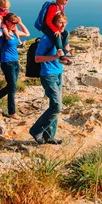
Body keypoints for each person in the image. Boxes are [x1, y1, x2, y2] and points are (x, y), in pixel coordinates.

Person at [29, 12, 68, 145]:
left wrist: (65, 59)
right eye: (60, 22)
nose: (62, 25)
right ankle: (36, 130)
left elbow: (60, 57)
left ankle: (49, 136)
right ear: (53, 24)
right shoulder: (46, 39)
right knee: (57, 106)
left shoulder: (61, 37)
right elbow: (37, 58)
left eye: (64, 22)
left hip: (58, 73)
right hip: (48, 75)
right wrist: (56, 57)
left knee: (54, 106)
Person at [0, 13, 30, 119]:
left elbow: (27, 33)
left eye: (15, 23)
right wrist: (0, 22)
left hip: (15, 62)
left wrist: (20, 23)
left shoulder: (15, 33)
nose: (14, 25)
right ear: (7, 22)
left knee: (11, 86)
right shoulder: (2, 33)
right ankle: (12, 112)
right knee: (13, 87)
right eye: (13, 23)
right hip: (7, 62)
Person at [41, 0, 72, 65]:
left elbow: (60, 17)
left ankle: (65, 50)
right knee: (57, 36)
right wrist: (56, 30)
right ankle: (61, 55)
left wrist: (61, 28)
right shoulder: (53, 7)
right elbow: (48, 21)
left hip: (54, 27)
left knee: (66, 33)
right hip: (47, 27)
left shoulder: (61, 7)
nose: (67, 1)